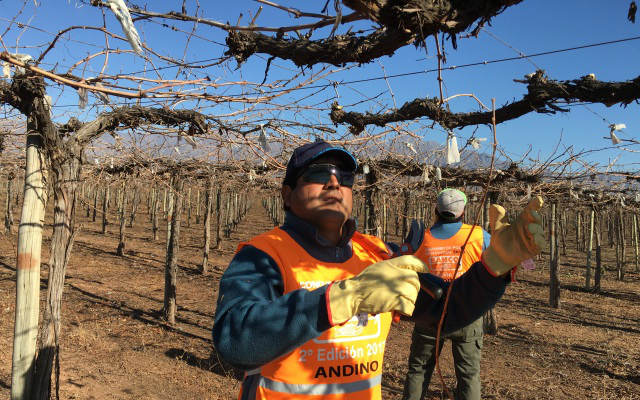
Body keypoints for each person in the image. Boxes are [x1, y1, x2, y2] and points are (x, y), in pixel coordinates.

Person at [212, 140, 545, 400]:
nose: (333, 183)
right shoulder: (264, 254)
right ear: (287, 195)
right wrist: (343, 299)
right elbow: (234, 340)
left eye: (344, 178)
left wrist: (494, 267)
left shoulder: (374, 254)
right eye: (317, 175)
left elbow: (446, 312)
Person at [401, 188, 490, 400]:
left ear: (435, 209)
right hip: (468, 313)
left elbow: (407, 269)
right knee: (469, 375)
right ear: (463, 211)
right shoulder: (478, 235)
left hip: (430, 315)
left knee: (419, 370)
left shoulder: (422, 237)